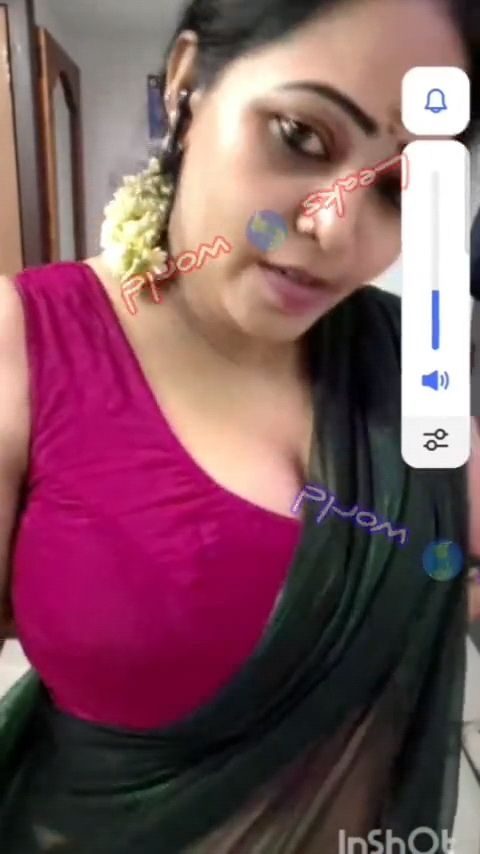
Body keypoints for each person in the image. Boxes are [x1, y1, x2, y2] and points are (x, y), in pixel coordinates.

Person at [0, 0, 479, 851]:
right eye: (301, 136)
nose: (335, 228)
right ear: (187, 84)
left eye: (397, 189)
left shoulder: (411, 358)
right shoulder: (23, 348)